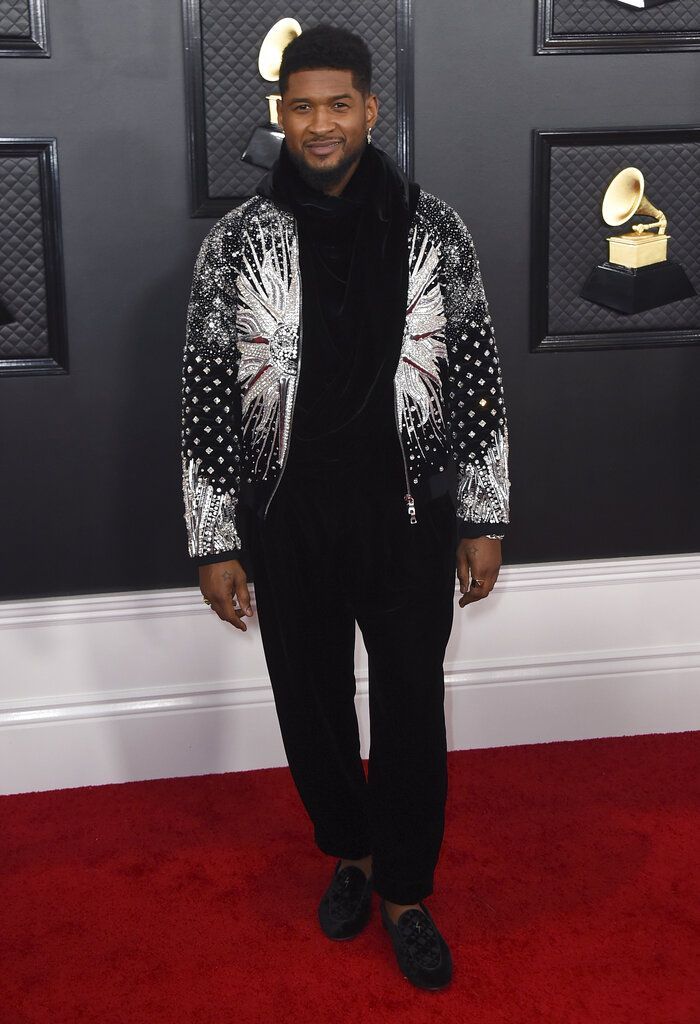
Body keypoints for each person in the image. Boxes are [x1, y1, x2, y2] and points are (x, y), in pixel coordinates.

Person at [181, 24, 510, 991]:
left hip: (409, 517)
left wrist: (485, 515)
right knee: (312, 703)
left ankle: (406, 888)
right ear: (279, 116)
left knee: (411, 701)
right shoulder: (235, 244)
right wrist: (214, 537)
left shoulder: (436, 229)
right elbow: (203, 397)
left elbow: (479, 376)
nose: (319, 125)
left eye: (337, 105)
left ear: (372, 109)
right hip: (288, 520)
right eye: (300, 107)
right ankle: (353, 852)